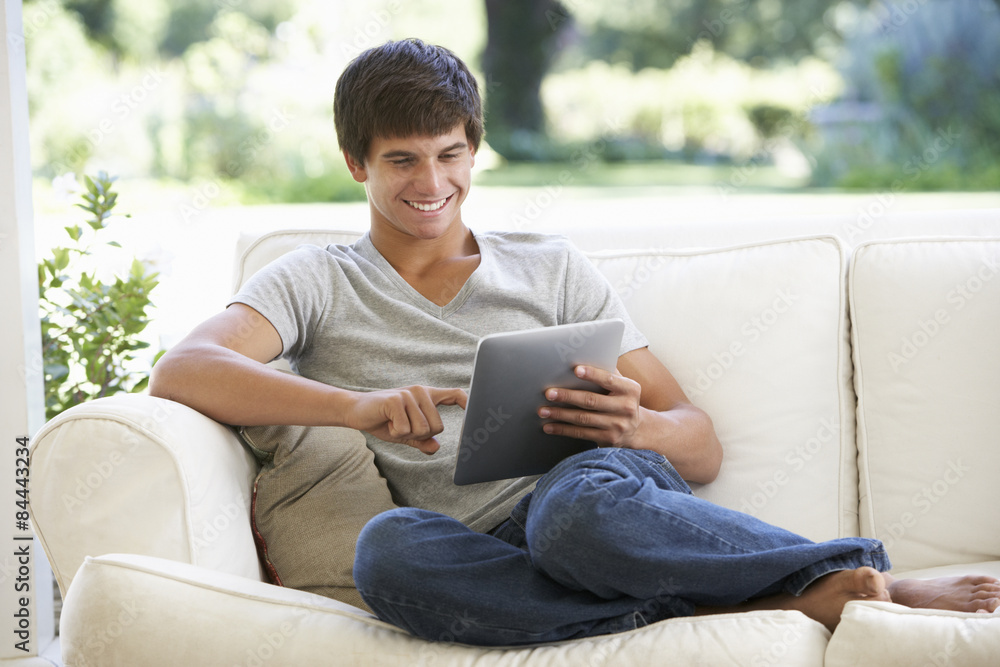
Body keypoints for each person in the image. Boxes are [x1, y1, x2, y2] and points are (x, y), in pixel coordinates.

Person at [149, 38, 1000, 647]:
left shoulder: (550, 268)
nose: (432, 184)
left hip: (594, 498)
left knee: (569, 513)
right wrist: (355, 406)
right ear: (355, 163)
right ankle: (760, 603)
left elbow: (699, 445)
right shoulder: (314, 279)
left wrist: (637, 426)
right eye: (402, 160)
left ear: (475, 151)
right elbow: (182, 369)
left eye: (450, 154)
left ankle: (861, 573)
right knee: (387, 552)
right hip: (475, 548)